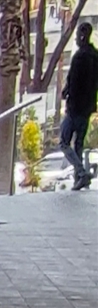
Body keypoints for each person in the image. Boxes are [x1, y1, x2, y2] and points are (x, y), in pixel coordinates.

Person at [61, 21, 96, 190]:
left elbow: (73, 83)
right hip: (88, 108)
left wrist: (68, 97)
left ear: (82, 36)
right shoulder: (95, 56)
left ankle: (81, 173)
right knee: (79, 144)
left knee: (64, 142)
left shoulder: (79, 57)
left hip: (75, 108)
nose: (75, 39)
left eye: (76, 36)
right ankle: (78, 180)